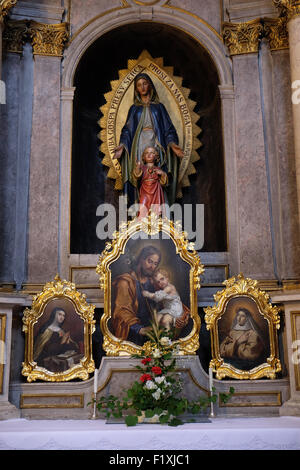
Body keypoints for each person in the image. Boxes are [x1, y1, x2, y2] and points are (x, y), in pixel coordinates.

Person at [113, 72, 184, 206]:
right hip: (139, 144)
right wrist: (122, 145)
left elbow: (168, 128)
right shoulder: (134, 109)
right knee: (140, 171)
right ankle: (140, 207)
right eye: (139, 85)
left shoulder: (159, 107)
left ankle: (158, 204)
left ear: (150, 85)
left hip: (157, 142)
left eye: (145, 84)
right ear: (136, 89)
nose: (143, 87)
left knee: (156, 172)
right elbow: (127, 130)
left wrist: (173, 144)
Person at [111, 245, 189, 345]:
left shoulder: (154, 282)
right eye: (150, 261)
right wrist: (140, 329)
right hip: (134, 336)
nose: (152, 267)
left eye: (155, 264)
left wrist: (181, 317)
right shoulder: (125, 282)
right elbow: (121, 312)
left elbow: (172, 300)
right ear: (141, 259)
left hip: (156, 333)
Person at [34, 307, 80, 372]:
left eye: (63, 315)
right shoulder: (46, 330)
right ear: (54, 315)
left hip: (58, 360)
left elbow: (63, 349)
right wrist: (62, 342)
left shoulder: (61, 331)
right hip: (44, 363)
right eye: (59, 314)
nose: (62, 317)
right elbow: (46, 350)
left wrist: (68, 342)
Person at [132, 146, 168, 218]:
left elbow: (164, 183)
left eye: (152, 153)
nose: (149, 155)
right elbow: (136, 176)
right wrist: (138, 166)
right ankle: (142, 221)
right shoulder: (142, 168)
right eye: (146, 153)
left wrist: (162, 174)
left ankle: (156, 220)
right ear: (143, 157)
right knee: (143, 206)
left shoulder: (158, 169)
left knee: (156, 208)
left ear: (156, 156)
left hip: (156, 191)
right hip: (145, 191)